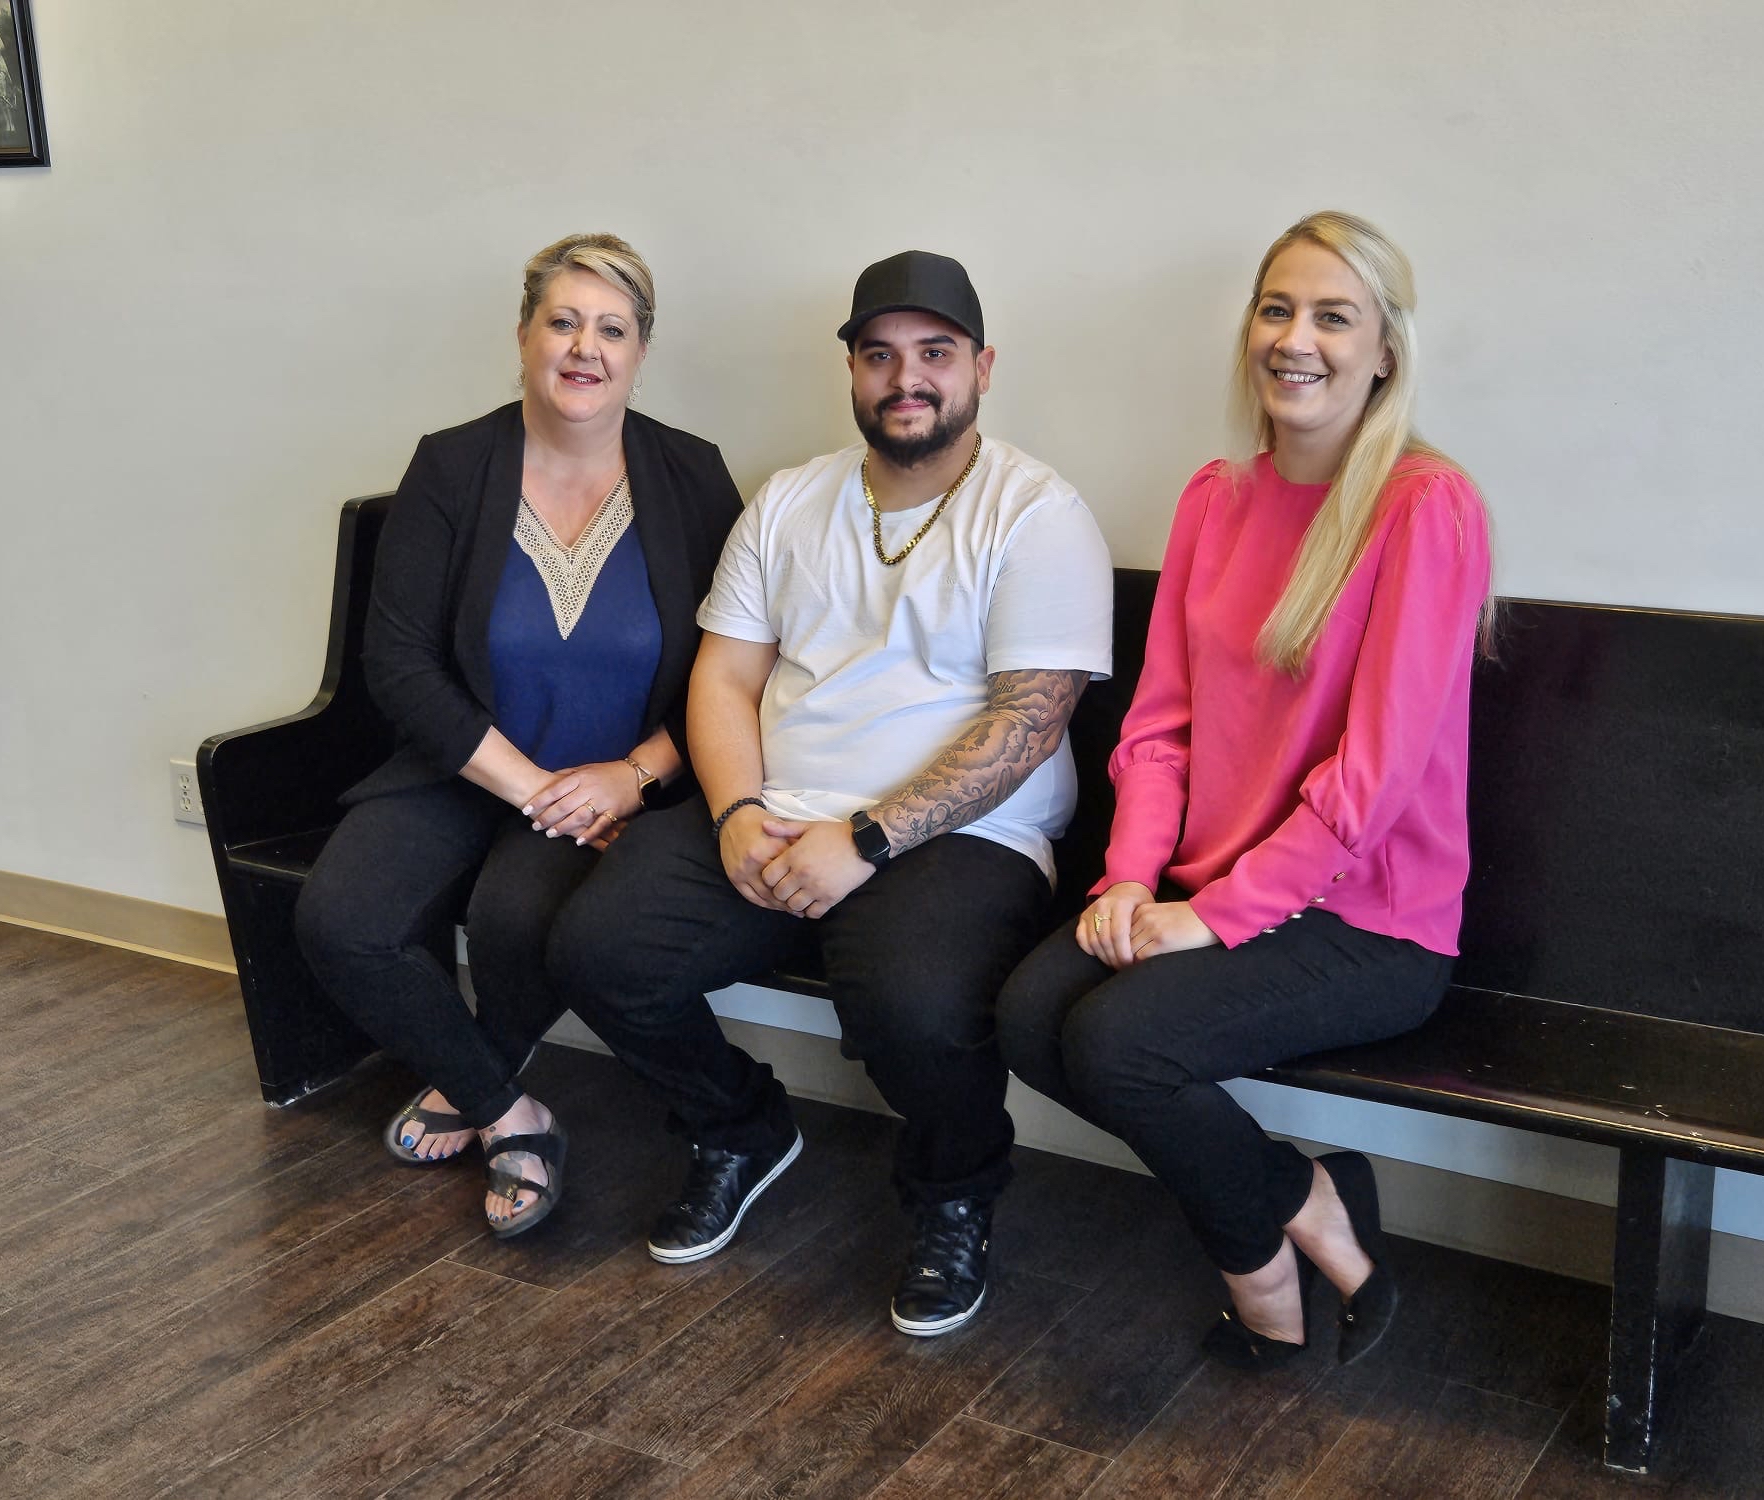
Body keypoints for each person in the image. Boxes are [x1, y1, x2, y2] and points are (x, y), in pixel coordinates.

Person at [549, 251, 1114, 1336]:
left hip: (965, 835)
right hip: (775, 807)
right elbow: (723, 675)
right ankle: (740, 1126)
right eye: (879, 356)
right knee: (598, 948)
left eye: (934, 354)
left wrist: (863, 838)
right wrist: (732, 814)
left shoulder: (1036, 511)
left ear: (980, 368)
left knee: (914, 1004)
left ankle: (953, 1196)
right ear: (851, 372)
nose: (907, 378)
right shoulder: (790, 500)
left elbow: (1029, 718)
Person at [997, 211, 1494, 1369]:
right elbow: (1158, 726)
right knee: (1027, 1017)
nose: (1296, 339)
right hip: (1205, 887)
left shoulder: (1424, 507)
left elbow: (1365, 784)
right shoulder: (1214, 498)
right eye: (1276, 309)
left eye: (1333, 315)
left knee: (1119, 1045)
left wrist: (1206, 917)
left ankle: (1260, 1269)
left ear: (1383, 350)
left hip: (1364, 920)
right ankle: (1300, 1201)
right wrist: (1127, 880)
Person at [294, 233, 743, 1237]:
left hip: (618, 786)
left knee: (514, 921)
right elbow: (399, 663)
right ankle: (508, 1106)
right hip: (467, 765)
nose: (584, 347)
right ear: (524, 334)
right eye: (563, 321)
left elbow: (734, 665)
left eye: (611, 329)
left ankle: (471, 1078)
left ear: (640, 350)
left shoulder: (692, 477)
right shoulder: (452, 466)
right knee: (340, 919)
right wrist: (538, 789)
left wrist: (634, 777)